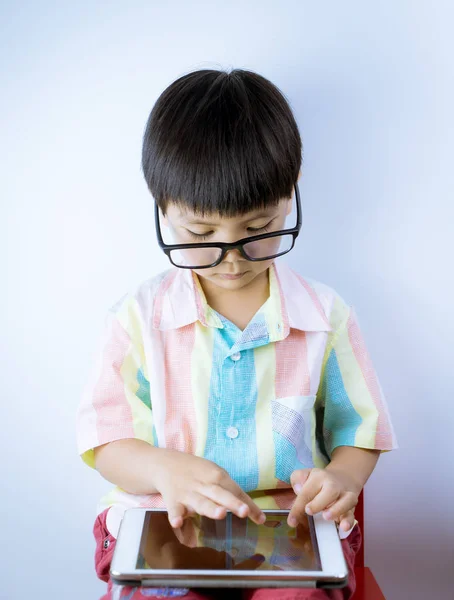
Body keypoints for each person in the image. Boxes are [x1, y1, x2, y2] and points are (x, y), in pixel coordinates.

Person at [76, 68, 397, 600]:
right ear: (163, 209)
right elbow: (105, 439)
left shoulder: (325, 316)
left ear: (289, 197)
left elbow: (359, 433)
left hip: (288, 532)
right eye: (201, 234)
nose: (231, 257)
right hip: (162, 518)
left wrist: (342, 478)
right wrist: (162, 468)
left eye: (257, 229)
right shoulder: (136, 318)